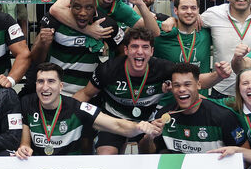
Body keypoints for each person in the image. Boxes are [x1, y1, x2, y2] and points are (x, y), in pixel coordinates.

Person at [75, 26, 228, 155]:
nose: (140, 52)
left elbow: (195, 81)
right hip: (116, 122)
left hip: (148, 123)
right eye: (134, 47)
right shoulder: (108, 69)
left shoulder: (163, 68)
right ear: (126, 50)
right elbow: (86, 94)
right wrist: (62, 110)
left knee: (152, 159)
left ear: (152, 51)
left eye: (145, 47)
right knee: (106, 157)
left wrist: (218, 75)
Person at [15, 64, 153, 157]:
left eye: (51, 81)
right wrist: (23, 148)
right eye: (41, 81)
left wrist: (139, 127)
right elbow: (25, 143)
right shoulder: (27, 103)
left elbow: (117, 125)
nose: (45, 87)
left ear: (61, 86)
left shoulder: (77, 108)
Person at [30, 0, 122, 97]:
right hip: (54, 93)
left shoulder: (107, 25)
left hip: (89, 96)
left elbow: (123, 53)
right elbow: (35, 60)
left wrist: (105, 73)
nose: (83, 13)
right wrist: (42, 44)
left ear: (95, 6)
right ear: (70, 6)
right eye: (77, 7)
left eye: (89, 7)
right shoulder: (53, 20)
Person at [145, 64, 246, 154]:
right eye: (176, 85)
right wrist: (149, 137)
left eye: (187, 84)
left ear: (198, 85)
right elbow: (147, 155)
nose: (181, 89)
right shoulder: (162, 116)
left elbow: (244, 154)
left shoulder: (223, 117)